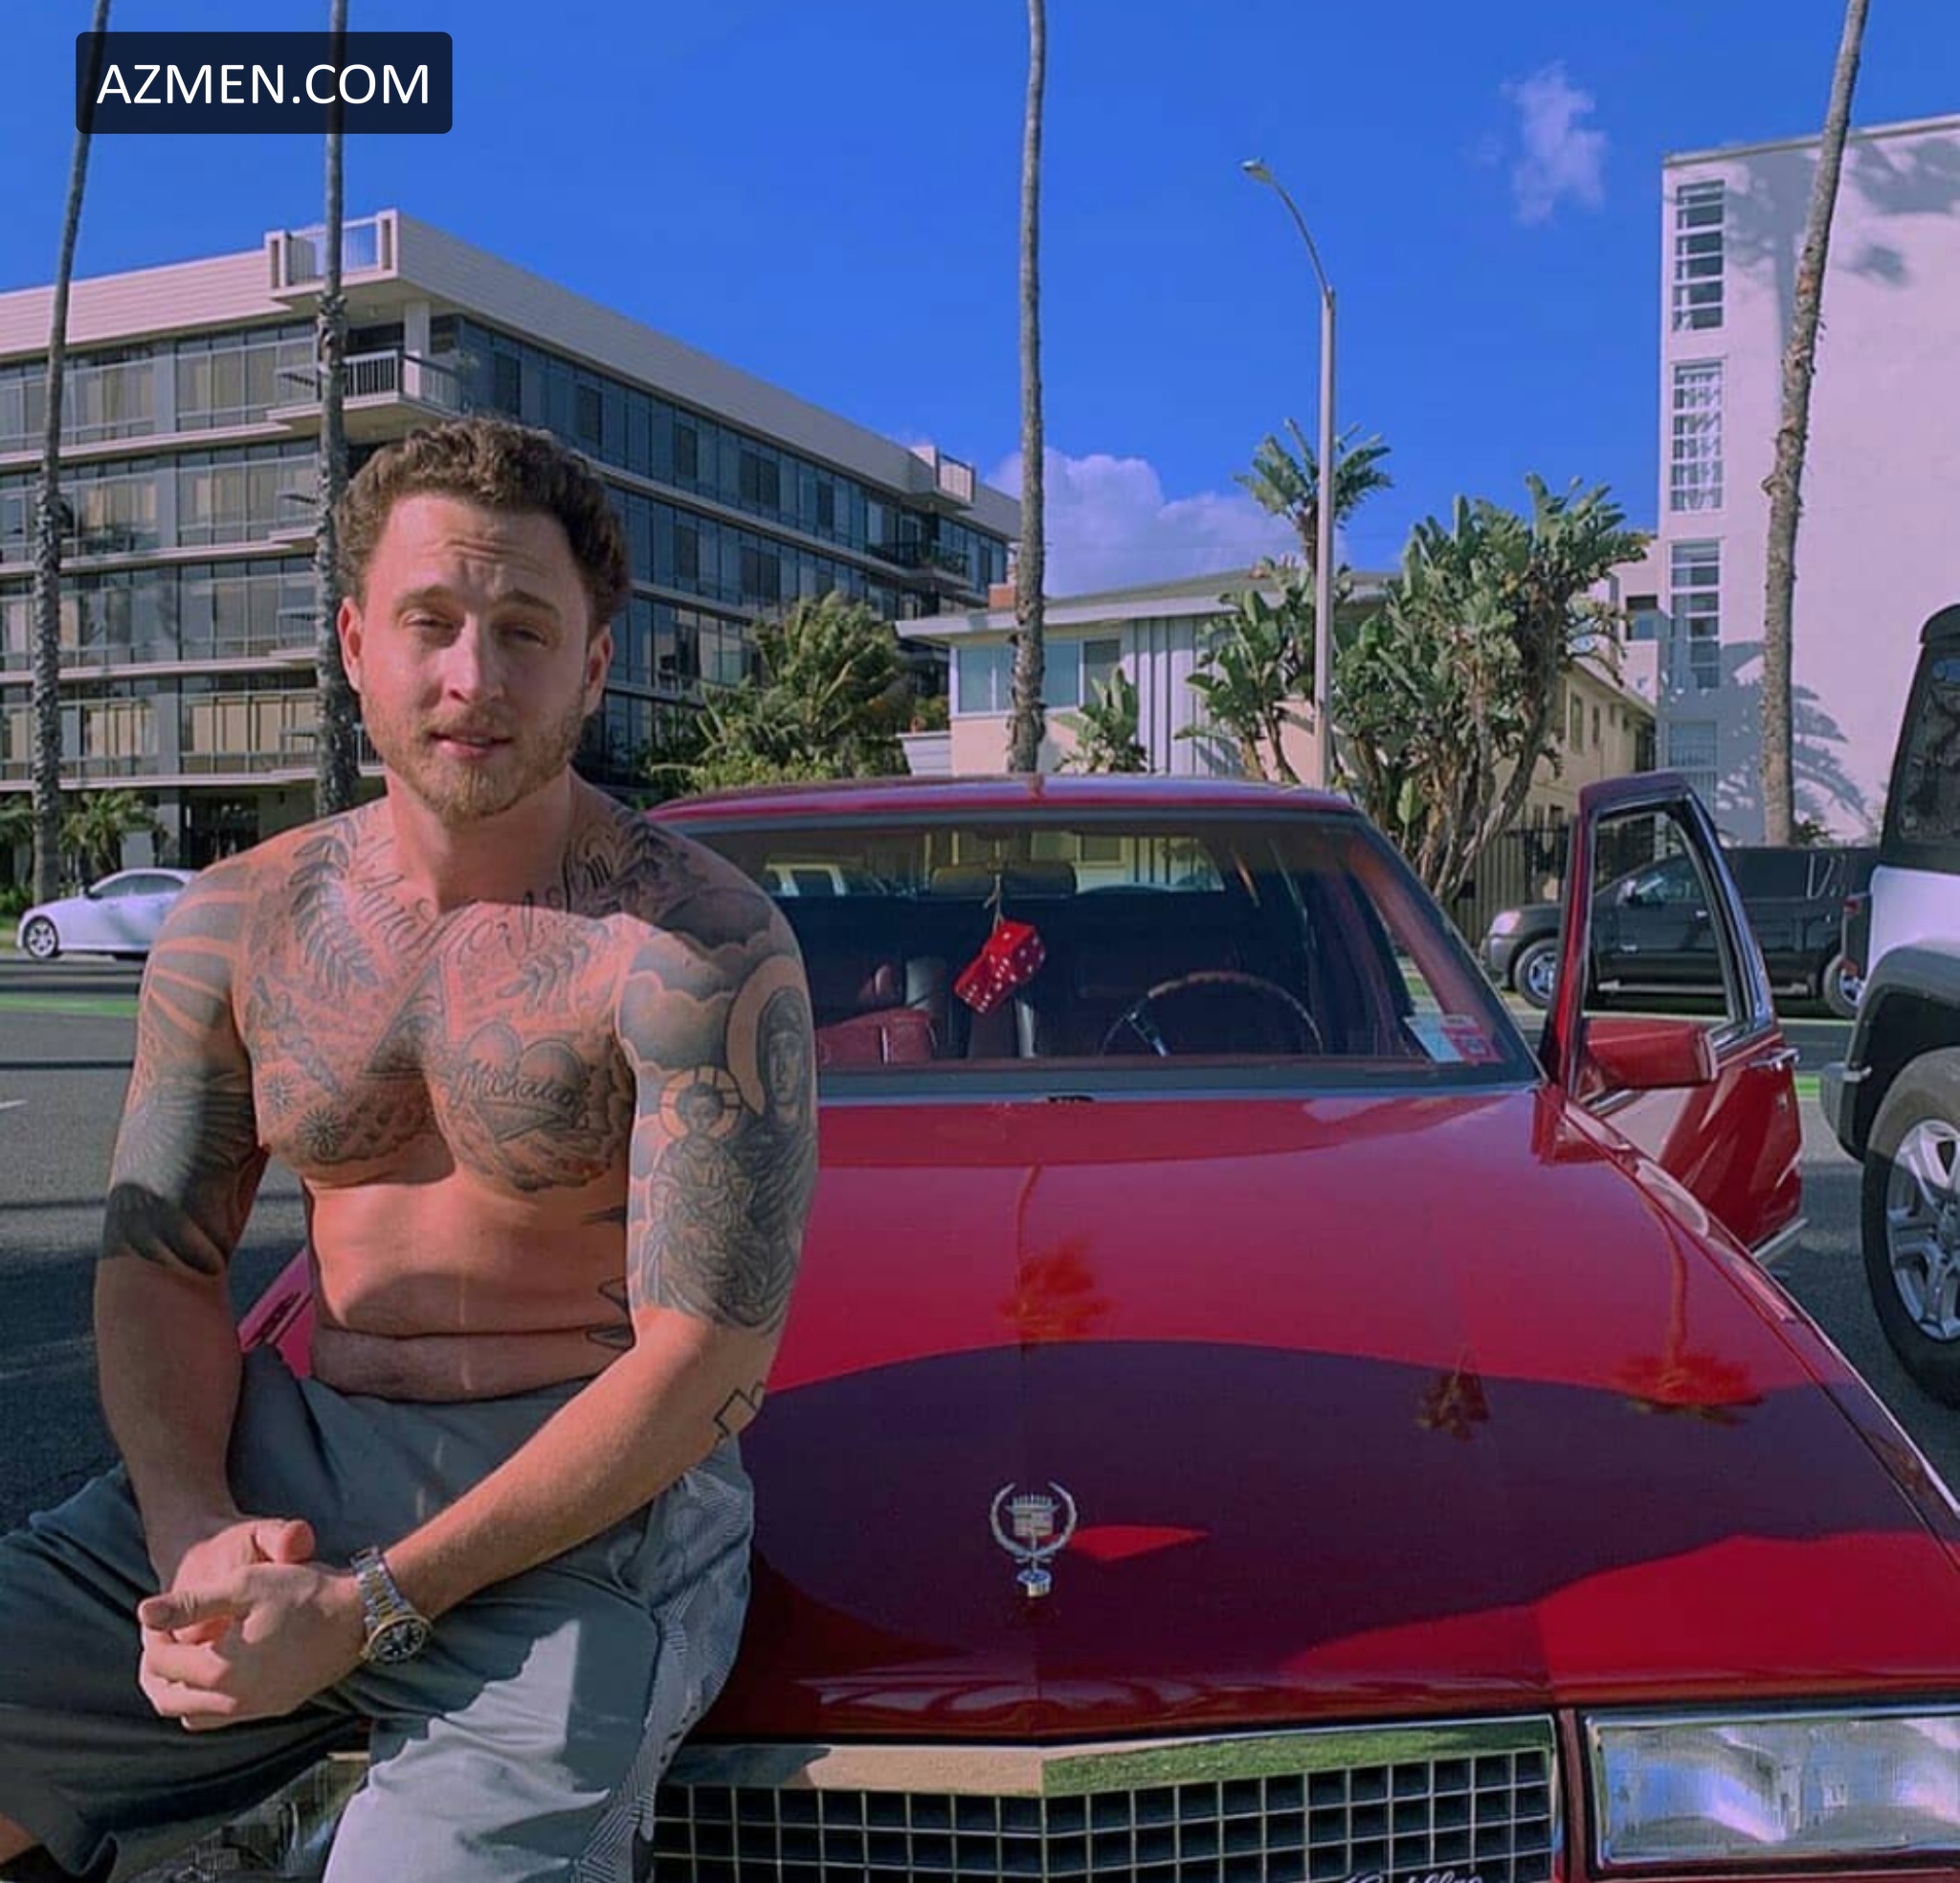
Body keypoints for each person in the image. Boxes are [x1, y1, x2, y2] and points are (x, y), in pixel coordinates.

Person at [0, 416, 816, 1882]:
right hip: (288, 1471)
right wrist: (194, 1529)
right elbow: (161, 1263)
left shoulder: (694, 946)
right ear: (355, 641)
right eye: (432, 622)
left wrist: (372, 1606)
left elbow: (707, 1360)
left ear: (594, 664)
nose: (473, 678)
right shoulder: (237, 927)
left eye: (525, 631)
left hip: (589, 1522)